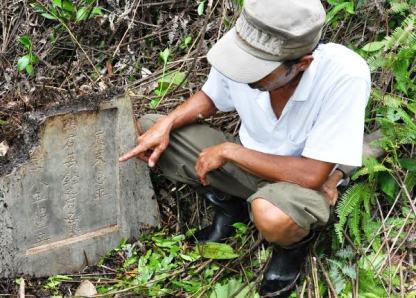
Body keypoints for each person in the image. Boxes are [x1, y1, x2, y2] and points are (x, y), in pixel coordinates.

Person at [120, 0, 371, 296]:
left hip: (299, 183)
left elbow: (313, 174)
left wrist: (230, 151)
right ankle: (230, 205)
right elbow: (212, 97)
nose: (244, 74)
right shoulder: (245, 49)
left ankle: (291, 247)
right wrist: (168, 123)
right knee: (148, 132)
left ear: (302, 64)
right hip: (247, 163)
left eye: (258, 71)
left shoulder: (344, 75)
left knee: (272, 216)